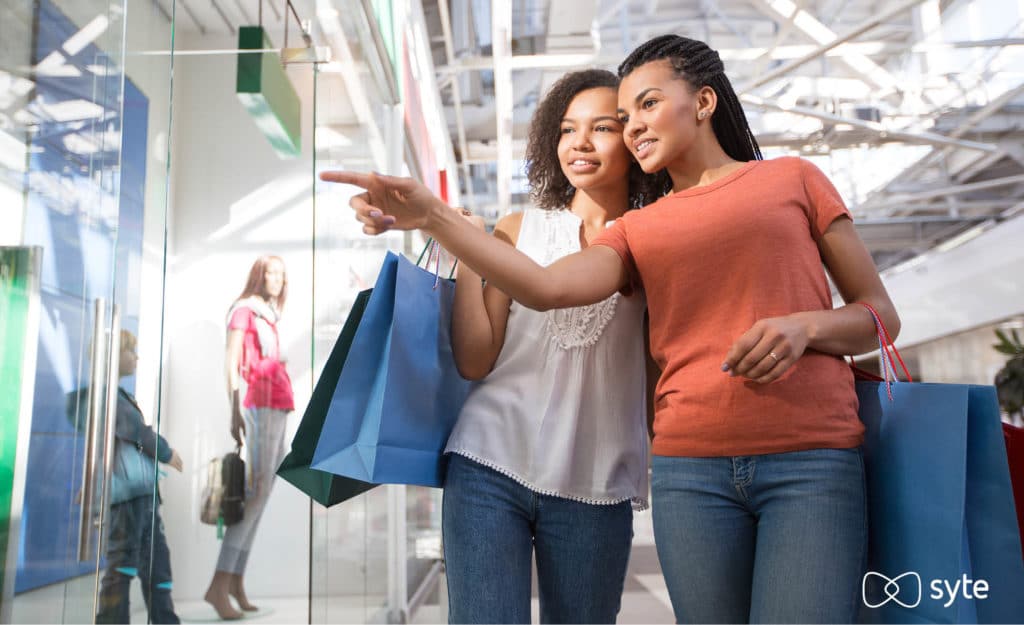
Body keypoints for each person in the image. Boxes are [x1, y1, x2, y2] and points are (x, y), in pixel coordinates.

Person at [322, 34, 901, 625]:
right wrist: (440, 219)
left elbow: (880, 317)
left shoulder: (791, 180)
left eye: (640, 109)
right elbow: (543, 292)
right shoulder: (634, 234)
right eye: (623, 118)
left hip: (793, 458)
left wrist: (805, 327)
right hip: (674, 466)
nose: (629, 129)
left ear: (704, 102)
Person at [442, 69, 662, 624]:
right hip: (488, 465)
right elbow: (475, 360)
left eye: (602, 128)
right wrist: (471, 255)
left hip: (597, 485)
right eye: (567, 130)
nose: (579, 143)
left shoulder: (655, 245)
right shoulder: (519, 230)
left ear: (636, 140)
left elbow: (658, 381)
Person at [204, 255, 294, 620]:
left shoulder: (270, 316)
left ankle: (236, 580)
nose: (276, 279)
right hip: (258, 403)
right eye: (271, 272)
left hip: (279, 404)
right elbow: (231, 362)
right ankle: (219, 584)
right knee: (254, 495)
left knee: (262, 495)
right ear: (259, 275)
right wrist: (233, 409)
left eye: (281, 274)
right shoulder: (244, 311)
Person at [95, 330, 183, 624]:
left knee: (156, 566)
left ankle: (164, 619)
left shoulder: (118, 396)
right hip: (130, 497)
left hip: (142, 495)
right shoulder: (111, 397)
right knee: (124, 566)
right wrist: (168, 453)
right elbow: (138, 432)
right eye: (130, 351)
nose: (136, 357)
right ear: (113, 355)